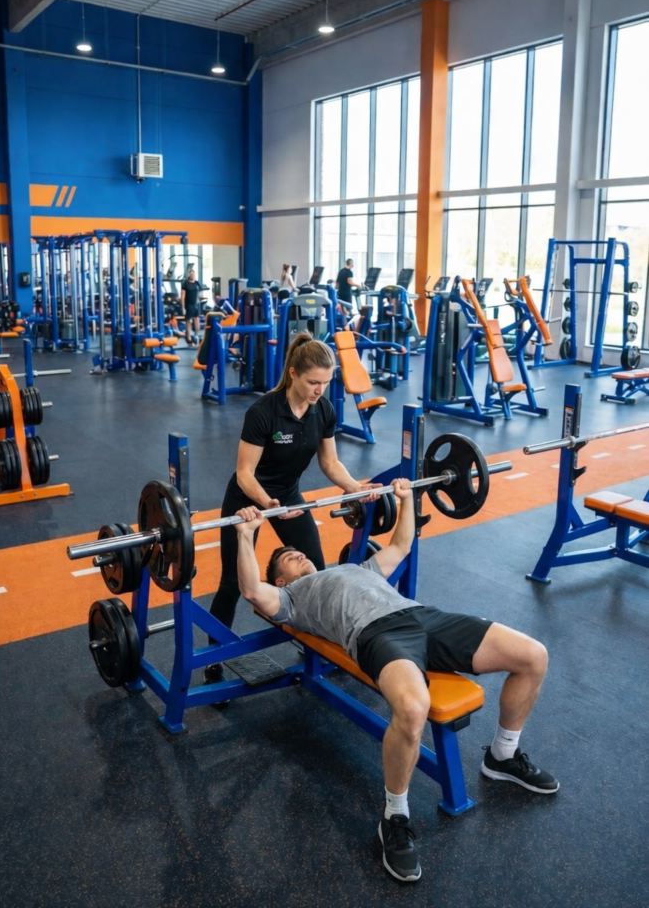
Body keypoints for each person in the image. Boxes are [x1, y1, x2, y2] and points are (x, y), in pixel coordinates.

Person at [233, 479, 559, 883]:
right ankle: (394, 815)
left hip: (424, 617)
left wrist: (406, 498)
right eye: (285, 558)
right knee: (412, 707)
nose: (294, 553)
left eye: (294, 550)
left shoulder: (357, 567)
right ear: (280, 580)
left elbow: (400, 547)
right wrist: (247, 535)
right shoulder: (292, 599)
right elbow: (250, 590)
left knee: (533, 655)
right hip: (378, 636)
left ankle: (503, 756)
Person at [205, 332, 377, 686]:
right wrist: (267, 504)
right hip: (247, 501)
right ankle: (213, 657)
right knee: (232, 584)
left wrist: (356, 489)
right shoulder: (263, 412)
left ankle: (316, 640)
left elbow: (330, 463)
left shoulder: (323, 410)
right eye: (314, 382)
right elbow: (244, 473)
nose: (319, 390)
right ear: (294, 373)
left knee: (317, 574)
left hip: (289, 496)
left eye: (326, 383)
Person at [180, 268, 202, 346]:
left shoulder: (197, 283)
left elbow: (200, 294)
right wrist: (183, 308)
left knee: (197, 320)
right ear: (189, 275)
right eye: (191, 274)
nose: (193, 275)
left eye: (194, 274)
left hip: (196, 305)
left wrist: (200, 300)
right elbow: (182, 297)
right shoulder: (185, 284)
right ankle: (188, 338)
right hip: (188, 305)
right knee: (188, 321)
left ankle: (197, 335)